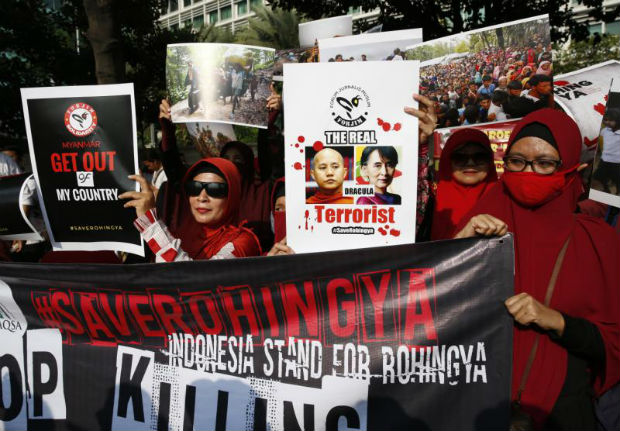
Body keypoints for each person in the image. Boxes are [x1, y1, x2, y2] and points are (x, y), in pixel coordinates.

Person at [456, 108, 620, 430]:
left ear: (574, 168)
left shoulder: (598, 241)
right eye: (517, 161)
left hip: (565, 413)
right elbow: (428, 310)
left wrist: (555, 320)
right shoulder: (479, 223)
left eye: (545, 163)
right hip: (472, 406)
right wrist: (457, 249)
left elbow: (612, 341)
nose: (529, 172)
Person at [120, 157, 261, 261]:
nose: (202, 197)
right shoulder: (175, 233)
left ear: (232, 196)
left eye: (215, 190)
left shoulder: (244, 242)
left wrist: (151, 225)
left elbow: (196, 280)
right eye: (194, 188)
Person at [431, 128, 497, 240]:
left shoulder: (505, 197)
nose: (470, 163)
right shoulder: (430, 198)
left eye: (479, 157)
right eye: (460, 157)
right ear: (448, 161)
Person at [592, 107, 620, 195]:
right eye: (605, 120)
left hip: (616, 163)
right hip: (604, 160)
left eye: (610, 120)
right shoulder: (605, 130)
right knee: (598, 177)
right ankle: (606, 190)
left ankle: (617, 191)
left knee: (617, 179)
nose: (607, 122)